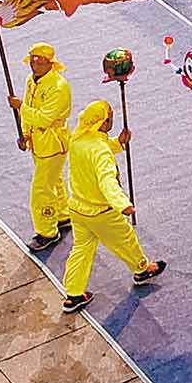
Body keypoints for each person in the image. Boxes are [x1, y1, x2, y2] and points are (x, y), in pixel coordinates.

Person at [59, 101, 167, 313]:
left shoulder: (78, 139)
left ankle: (73, 294)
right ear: (103, 122)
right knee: (126, 240)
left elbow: (97, 148)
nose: (112, 119)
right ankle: (142, 269)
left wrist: (118, 142)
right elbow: (106, 181)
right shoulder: (100, 151)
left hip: (78, 209)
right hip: (102, 212)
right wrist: (122, 203)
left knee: (81, 250)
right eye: (109, 116)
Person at [8, 42, 73, 252]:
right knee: (54, 180)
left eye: (40, 62)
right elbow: (30, 108)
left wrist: (20, 107)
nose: (35, 65)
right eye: (32, 61)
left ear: (50, 63)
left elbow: (44, 118)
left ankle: (47, 231)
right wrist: (25, 134)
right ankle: (62, 215)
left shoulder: (58, 87)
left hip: (53, 142)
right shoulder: (32, 80)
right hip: (38, 141)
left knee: (41, 190)